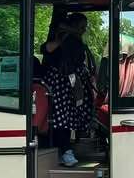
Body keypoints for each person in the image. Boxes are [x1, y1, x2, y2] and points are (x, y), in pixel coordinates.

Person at [41, 12, 96, 167]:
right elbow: (46, 49)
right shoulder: (63, 38)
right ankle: (65, 151)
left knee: (71, 115)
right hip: (61, 81)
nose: (83, 30)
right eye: (81, 27)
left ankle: (68, 148)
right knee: (62, 117)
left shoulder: (75, 40)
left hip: (73, 81)